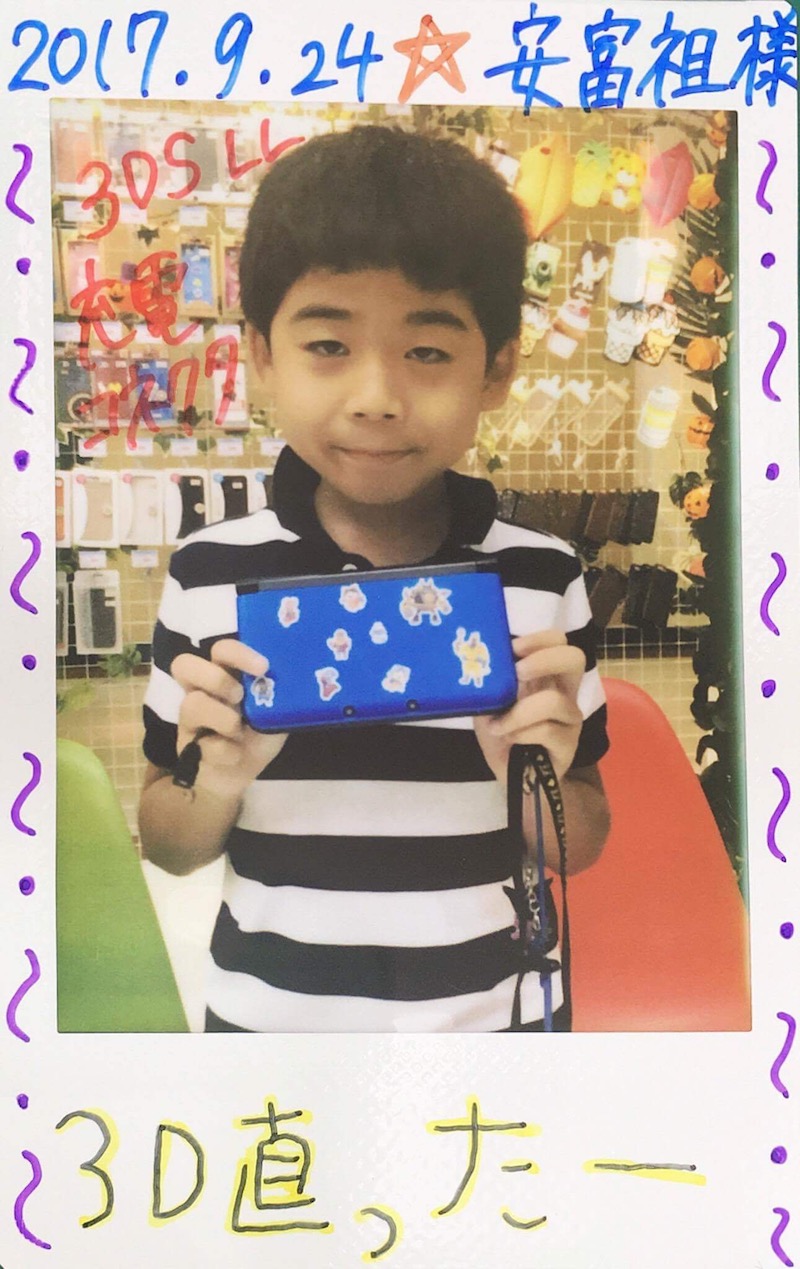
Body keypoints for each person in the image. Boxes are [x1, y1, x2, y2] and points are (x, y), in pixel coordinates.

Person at [139, 125, 610, 1033]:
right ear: (262, 354)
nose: (377, 398)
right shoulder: (210, 573)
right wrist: (216, 780)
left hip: (493, 1023)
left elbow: (578, 841)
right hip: (274, 1026)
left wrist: (534, 774)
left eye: (427, 351)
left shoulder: (541, 575)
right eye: (327, 344)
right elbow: (170, 843)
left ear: (497, 368)